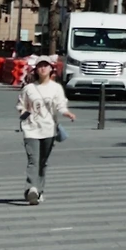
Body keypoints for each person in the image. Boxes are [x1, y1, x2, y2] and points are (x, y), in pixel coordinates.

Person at [17, 56, 75, 204]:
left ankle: (39, 189)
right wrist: (25, 116)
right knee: (33, 160)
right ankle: (31, 188)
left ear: (51, 69)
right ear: (36, 69)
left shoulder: (56, 88)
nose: (43, 68)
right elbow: (21, 106)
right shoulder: (28, 89)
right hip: (31, 129)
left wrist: (67, 113)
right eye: (40, 66)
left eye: (46, 66)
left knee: (43, 162)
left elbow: (61, 105)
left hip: (49, 129)